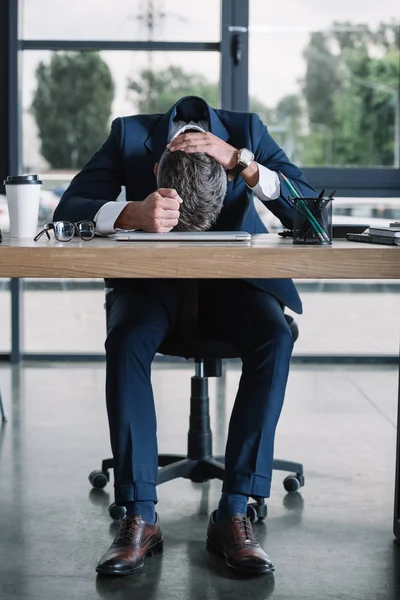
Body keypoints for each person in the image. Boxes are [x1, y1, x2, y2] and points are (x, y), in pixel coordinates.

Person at [53, 95, 316, 577]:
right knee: (127, 338)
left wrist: (243, 163)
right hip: (152, 285)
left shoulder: (249, 131)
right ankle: (139, 516)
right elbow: (68, 208)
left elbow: (310, 214)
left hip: (236, 285)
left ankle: (235, 510)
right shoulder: (128, 134)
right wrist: (131, 212)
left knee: (275, 338)